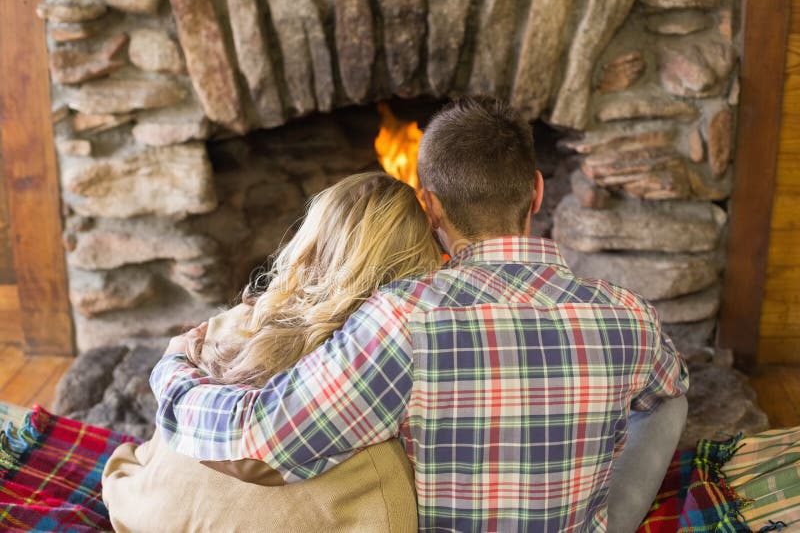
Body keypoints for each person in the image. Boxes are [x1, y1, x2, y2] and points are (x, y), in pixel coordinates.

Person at [150, 97, 689, 532]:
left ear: (428, 206)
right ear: (538, 192)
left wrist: (173, 372)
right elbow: (669, 399)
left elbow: (261, 446)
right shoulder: (630, 316)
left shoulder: (402, 321)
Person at [103, 172, 439, 532]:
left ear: (311, 242)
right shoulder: (395, 365)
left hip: (149, 512)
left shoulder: (223, 329)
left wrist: (173, 366)